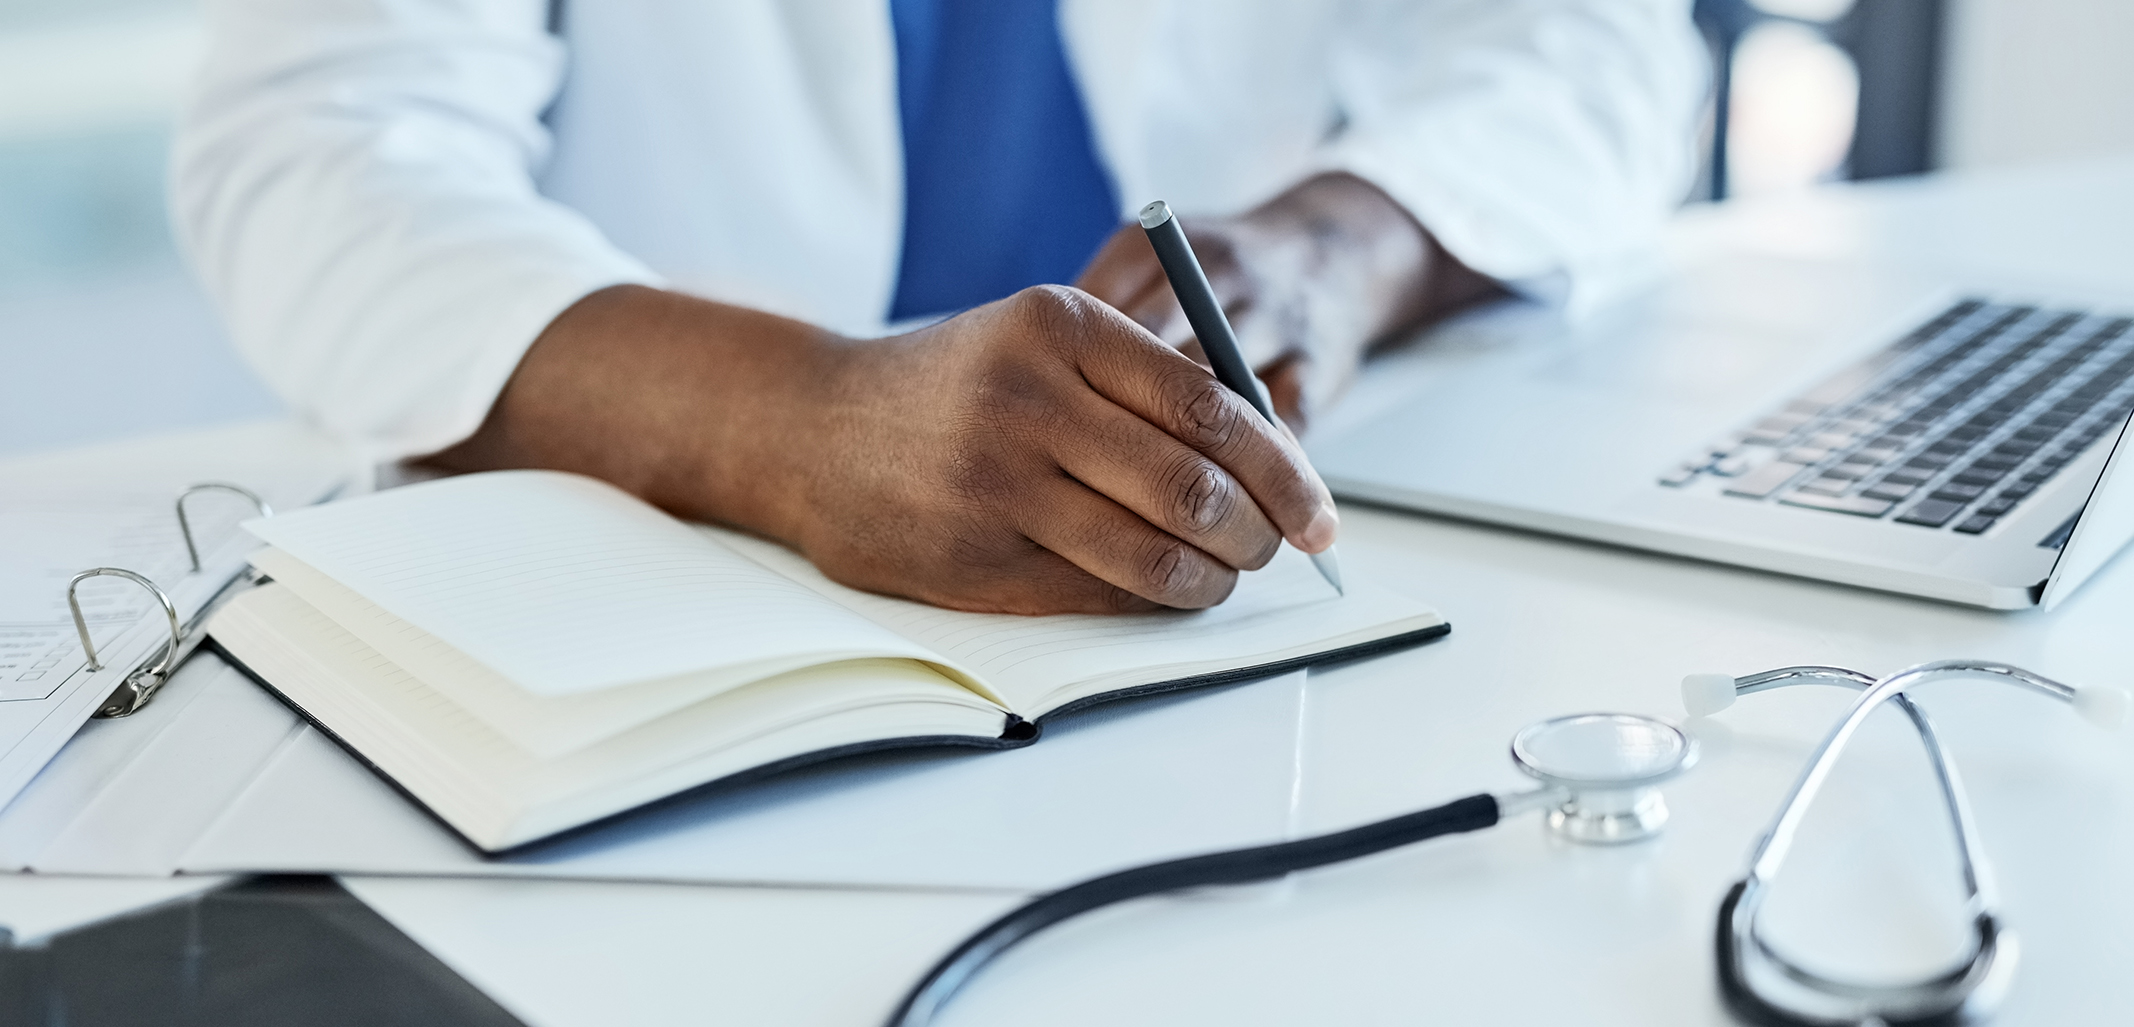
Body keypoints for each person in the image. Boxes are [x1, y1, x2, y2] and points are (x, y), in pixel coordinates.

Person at [174, 0, 1705, 615]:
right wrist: (785, 421)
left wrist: (1335, 243)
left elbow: (1599, 47)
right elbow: (313, 150)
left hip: (1225, 601)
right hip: (681, 585)